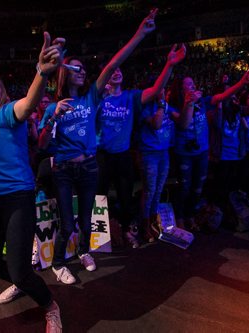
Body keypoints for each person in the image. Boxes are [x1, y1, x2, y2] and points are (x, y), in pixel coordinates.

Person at [39, 9, 158, 284]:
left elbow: (113, 64)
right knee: (67, 222)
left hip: (90, 166)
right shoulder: (54, 106)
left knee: (86, 218)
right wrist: (52, 119)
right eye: (75, 69)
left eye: (83, 69)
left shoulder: (92, 97)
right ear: (63, 74)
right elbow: (43, 144)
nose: (81, 72)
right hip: (65, 170)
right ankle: (58, 263)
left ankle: (83, 252)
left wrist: (140, 33)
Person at [0, 32, 64, 332]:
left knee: (19, 270)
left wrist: (41, 73)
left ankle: (50, 306)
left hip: (18, 197)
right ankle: (22, 282)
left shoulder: (9, 113)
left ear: (3, 93)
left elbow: (30, 103)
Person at [97, 43, 186, 247]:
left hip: (123, 155)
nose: (117, 72)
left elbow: (156, 90)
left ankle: (127, 230)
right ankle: (99, 238)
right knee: (99, 197)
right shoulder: (99, 97)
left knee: (126, 197)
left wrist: (169, 64)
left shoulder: (132, 97)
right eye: (112, 69)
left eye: (120, 69)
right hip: (102, 155)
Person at [167, 70, 249, 230]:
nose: (192, 87)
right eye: (188, 85)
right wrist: (189, 103)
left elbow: (223, 95)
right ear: (180, 90)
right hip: (184, 153)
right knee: (184, 188)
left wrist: (242, 82)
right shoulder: (173, 107)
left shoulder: (204, 102)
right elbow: (184, 124)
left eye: (193, 84)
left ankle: (190, 215)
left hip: (201, 152)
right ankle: (179, 217)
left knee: (198, 187)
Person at [137, 88, 178, 242]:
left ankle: (154, 222)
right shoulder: (145, 107)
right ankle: (144, 226)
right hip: (149, 153)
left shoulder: (166, 105)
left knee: (158, 189)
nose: (163, 91)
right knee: (149, 191)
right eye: (160, 89)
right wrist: (161, 105)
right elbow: (156, 124)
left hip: (164, 152)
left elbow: (180, 120)